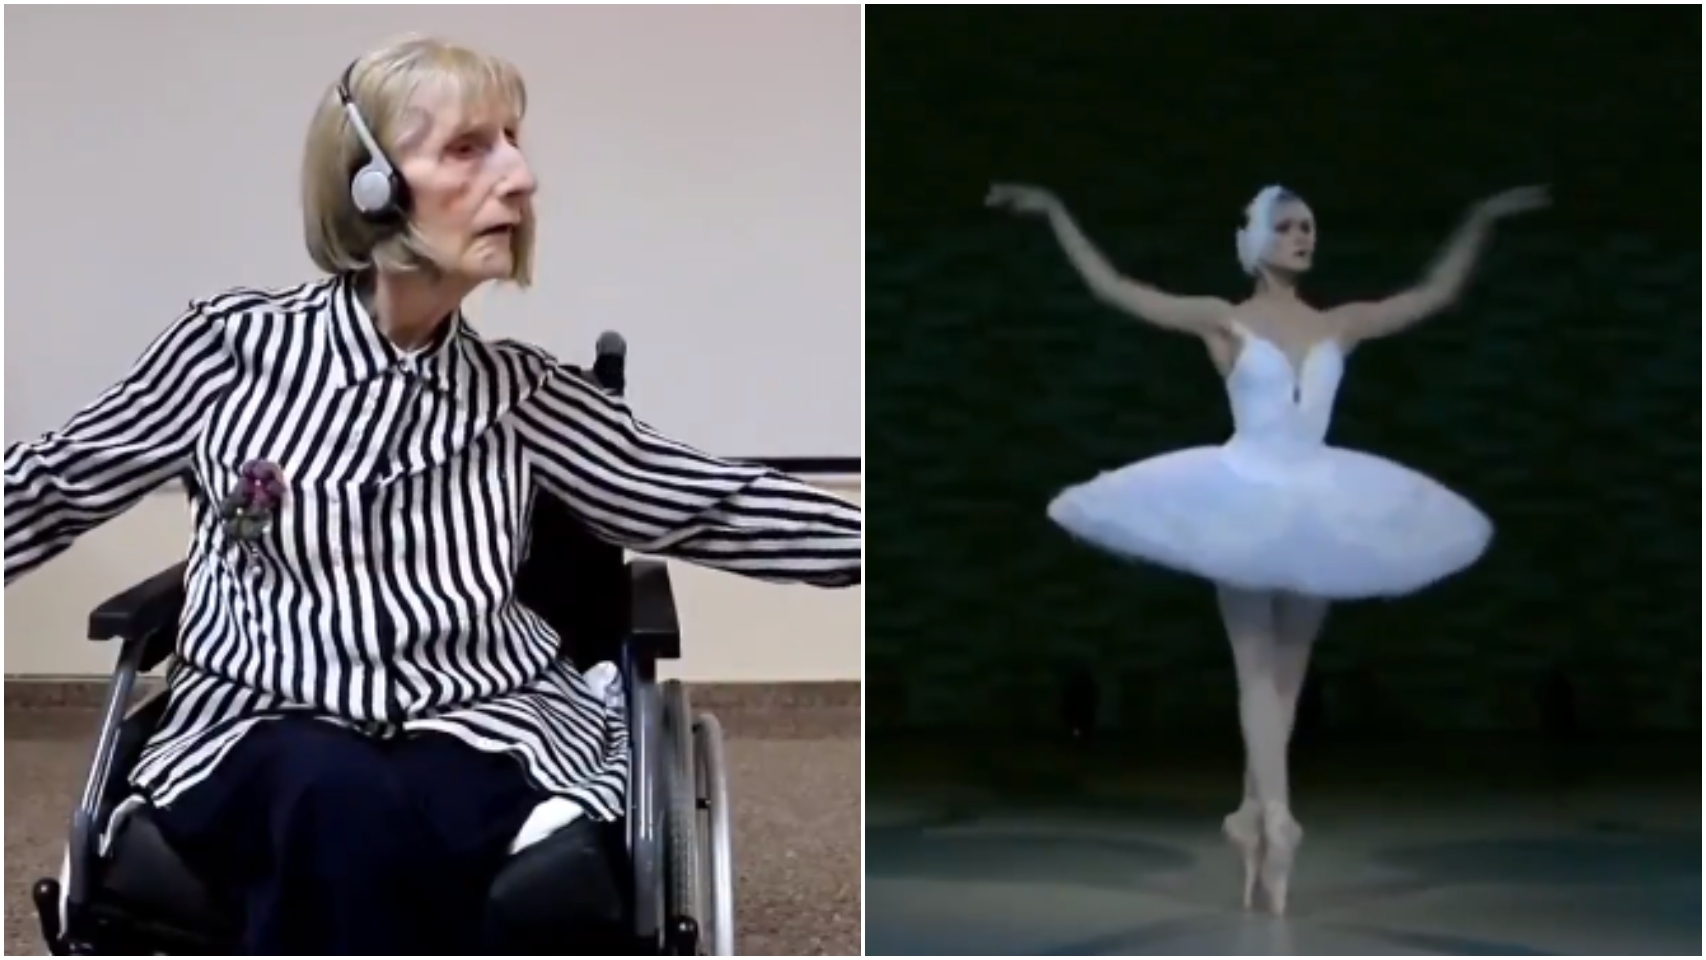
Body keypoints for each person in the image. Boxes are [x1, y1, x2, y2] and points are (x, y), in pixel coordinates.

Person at [4, 36, 861, 954]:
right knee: (329, 791)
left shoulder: (522, 394)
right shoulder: (228, 353)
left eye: (514, 141)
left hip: (483, 720)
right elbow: (52, 484)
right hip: (255, 720)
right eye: (468, 148)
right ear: (368, 185)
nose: (521, 177)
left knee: (379, 803)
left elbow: (709, 502)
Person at [985, 179, 1546, 915]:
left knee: (1281, 673)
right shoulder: (1225, 320)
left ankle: (1261, 818)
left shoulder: (1340, 323)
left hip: (1309, 496)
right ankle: (1272, 820)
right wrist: (1058, 213)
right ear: (1253, 240)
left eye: (1309, 226)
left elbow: (1435, 293)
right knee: (1263, 669)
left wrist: (1480, 217)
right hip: (1253, 492)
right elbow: (1117, 290)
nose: (1302, 237)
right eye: (1286, 227)